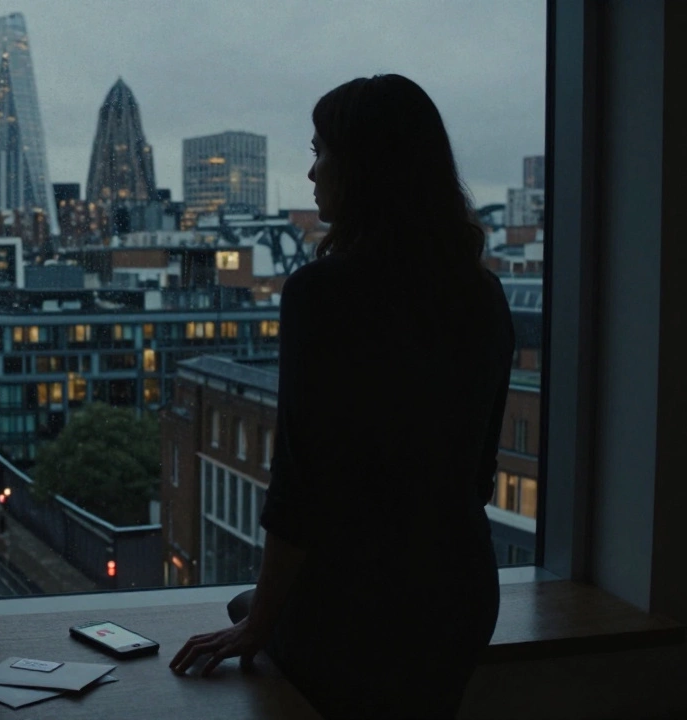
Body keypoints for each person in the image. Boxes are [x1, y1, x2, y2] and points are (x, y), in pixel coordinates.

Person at [169, 75, 514, 719]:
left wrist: (259, 622)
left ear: (363, 166)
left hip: (360, 609)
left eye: (320, 151)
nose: (311, 172)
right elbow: (479, 473)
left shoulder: (323, 293)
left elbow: (300, 485)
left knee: (243, 610)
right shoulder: (484, 293)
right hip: (460, 596)